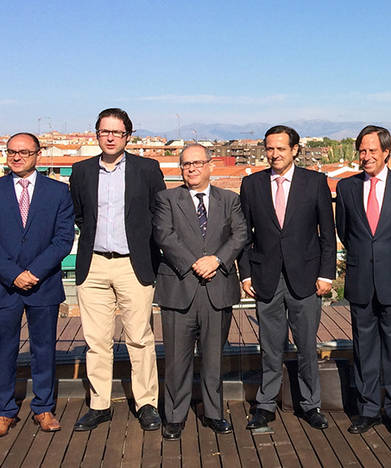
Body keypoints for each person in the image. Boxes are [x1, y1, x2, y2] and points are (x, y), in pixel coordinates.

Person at [70, 108, 165, 431]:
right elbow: (81, 217)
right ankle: (99, 404)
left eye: (117, 132)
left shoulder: (147, 169)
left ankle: (147, 403)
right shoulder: (80, 171)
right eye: (104, 132)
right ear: (96, 134)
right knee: (97, 340)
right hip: (93, 264)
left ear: (128, 136)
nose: (110, 137)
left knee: (139, 337)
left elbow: (159, 213)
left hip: (133, 263)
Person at [240, 126, 336, 431]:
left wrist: (326, 274)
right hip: (265, 277)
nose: (274, 154)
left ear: (295, 149)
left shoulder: (315, 182)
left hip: (306, 278)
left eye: (281, 148)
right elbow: (244, 235)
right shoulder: (251, 184)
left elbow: (327, 234)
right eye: (269, 148)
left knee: (307, 345)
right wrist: (245, 275)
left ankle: (310, 404)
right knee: (269, 346)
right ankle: (266, 404)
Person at [153, 144, 247, 439]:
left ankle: (214, 413)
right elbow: (163, 235)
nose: (191, 168)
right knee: (177, 359)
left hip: (217, 289)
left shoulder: (230, 199)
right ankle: (175, 416)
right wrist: (194, 263)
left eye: (197, 163)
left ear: (210, 165)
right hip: (179, 289)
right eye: (185, 165)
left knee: (214, 358)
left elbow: (240, 234)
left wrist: (216, 260)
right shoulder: (167, 198)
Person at [335, 125, 391, 437]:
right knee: (364, 349)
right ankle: (369, 409)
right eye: (362, 150)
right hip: (360, 280)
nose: (366, 156)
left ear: (387, 152)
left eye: (373, 150)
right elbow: (344, 231)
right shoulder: (346, 188)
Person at [0, 133, 74, 436]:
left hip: (43, 284)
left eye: (24, 152)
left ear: (38, 155)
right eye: (11, 152)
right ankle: (5, 411)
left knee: (44, 349)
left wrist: (34, 271)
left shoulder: (58, 192)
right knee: (3, 349)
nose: (17, 157)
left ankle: (43, 408)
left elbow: (63, 240)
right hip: (4, 285)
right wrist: (12, 273)